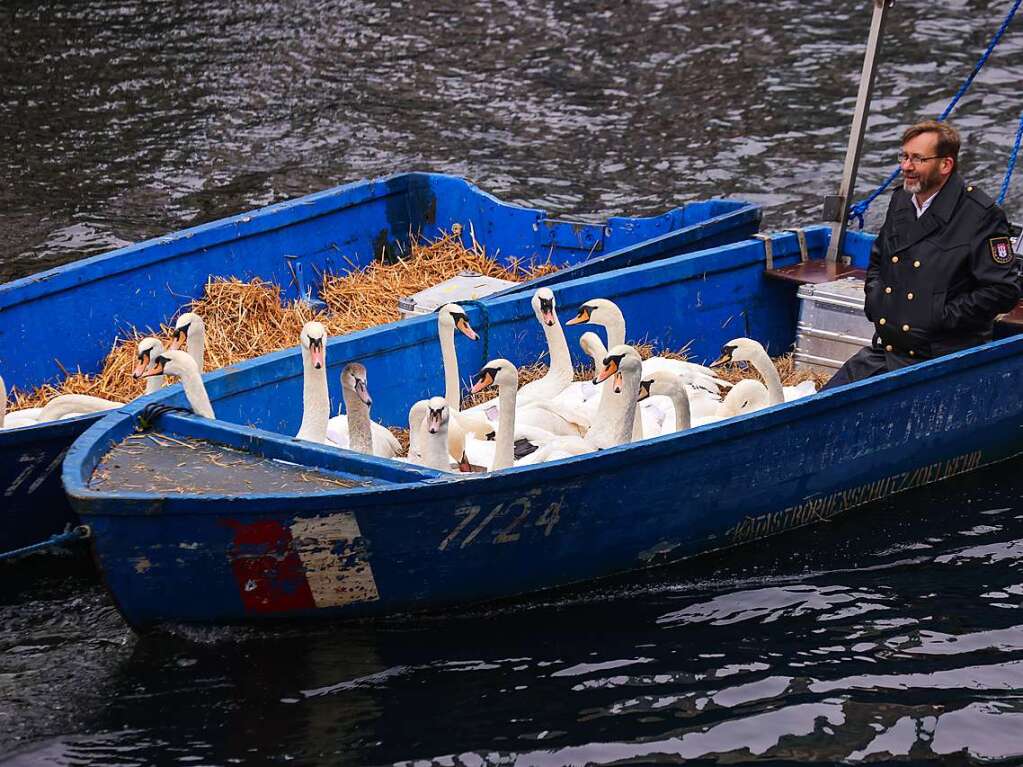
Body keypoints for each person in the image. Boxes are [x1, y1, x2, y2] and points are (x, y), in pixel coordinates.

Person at [822, 120, 1019, 390]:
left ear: (945, 165)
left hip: (943, 358)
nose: (906, 166)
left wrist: (939, 315)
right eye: (904, 156)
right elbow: (879, 258)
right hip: (888, 351)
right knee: (822, 404)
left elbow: (1003, 290)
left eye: (917, 159)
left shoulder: (981, 215)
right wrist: (876, 299)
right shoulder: (901, 200)